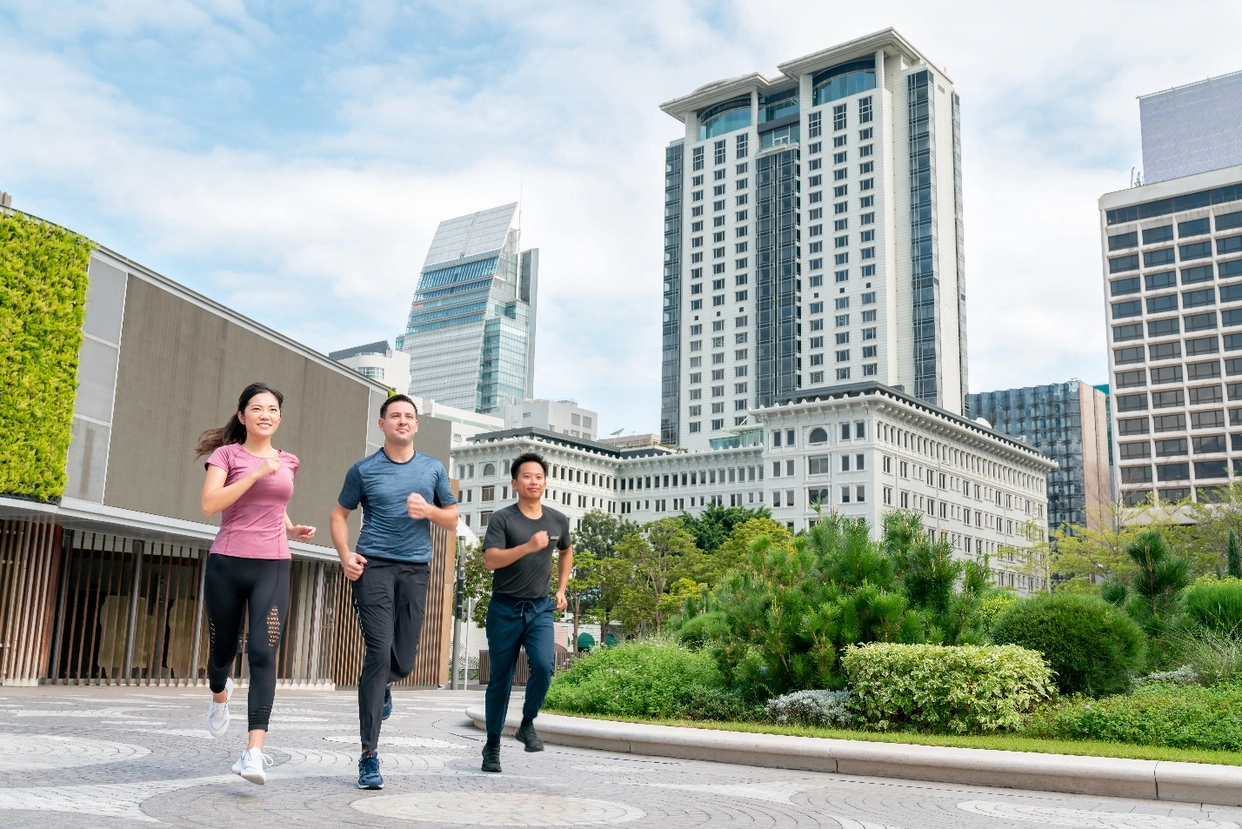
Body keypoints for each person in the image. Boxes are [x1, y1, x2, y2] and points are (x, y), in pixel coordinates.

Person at [330, 394, 457, 790]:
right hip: (374, 568)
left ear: (416, 426)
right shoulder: (363, 470)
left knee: (402, 660)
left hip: (416, 570)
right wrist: (345, 554)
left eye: (409, 416)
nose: (403, 421)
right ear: (382, 424)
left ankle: (386, 683)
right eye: (395, 416)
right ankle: (369, 756)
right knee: (377, 652)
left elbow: (452, 519)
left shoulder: (433, 469)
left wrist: (430, 512)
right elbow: (339, 515)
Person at [196, 382, 316, 785]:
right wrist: (257, 473)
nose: (266, 414)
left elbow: (274, 502)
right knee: (222, 652)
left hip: (273, 564)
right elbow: (211, 504)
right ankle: (218, 693)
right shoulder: (225, 455)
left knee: (264, 652)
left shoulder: (289, 461)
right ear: (243, 415)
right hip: (228, 562)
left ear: (279, 417)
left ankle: (253, 753)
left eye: (272, 409)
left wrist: (290, 526)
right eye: (257, 408)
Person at [480, 451, 572, 773]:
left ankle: (527, 723)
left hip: (539, 608)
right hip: (504, 609)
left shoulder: (558, 520)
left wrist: (561, 590)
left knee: (545, 666)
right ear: (514, 483)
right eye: (527, 477)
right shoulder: (503, 519)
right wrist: (528, 547)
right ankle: (492, 746)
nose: (533, 481)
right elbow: (491, 560)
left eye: (539, 477)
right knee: (500, 681)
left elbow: (566, 552)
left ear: (545, 482)